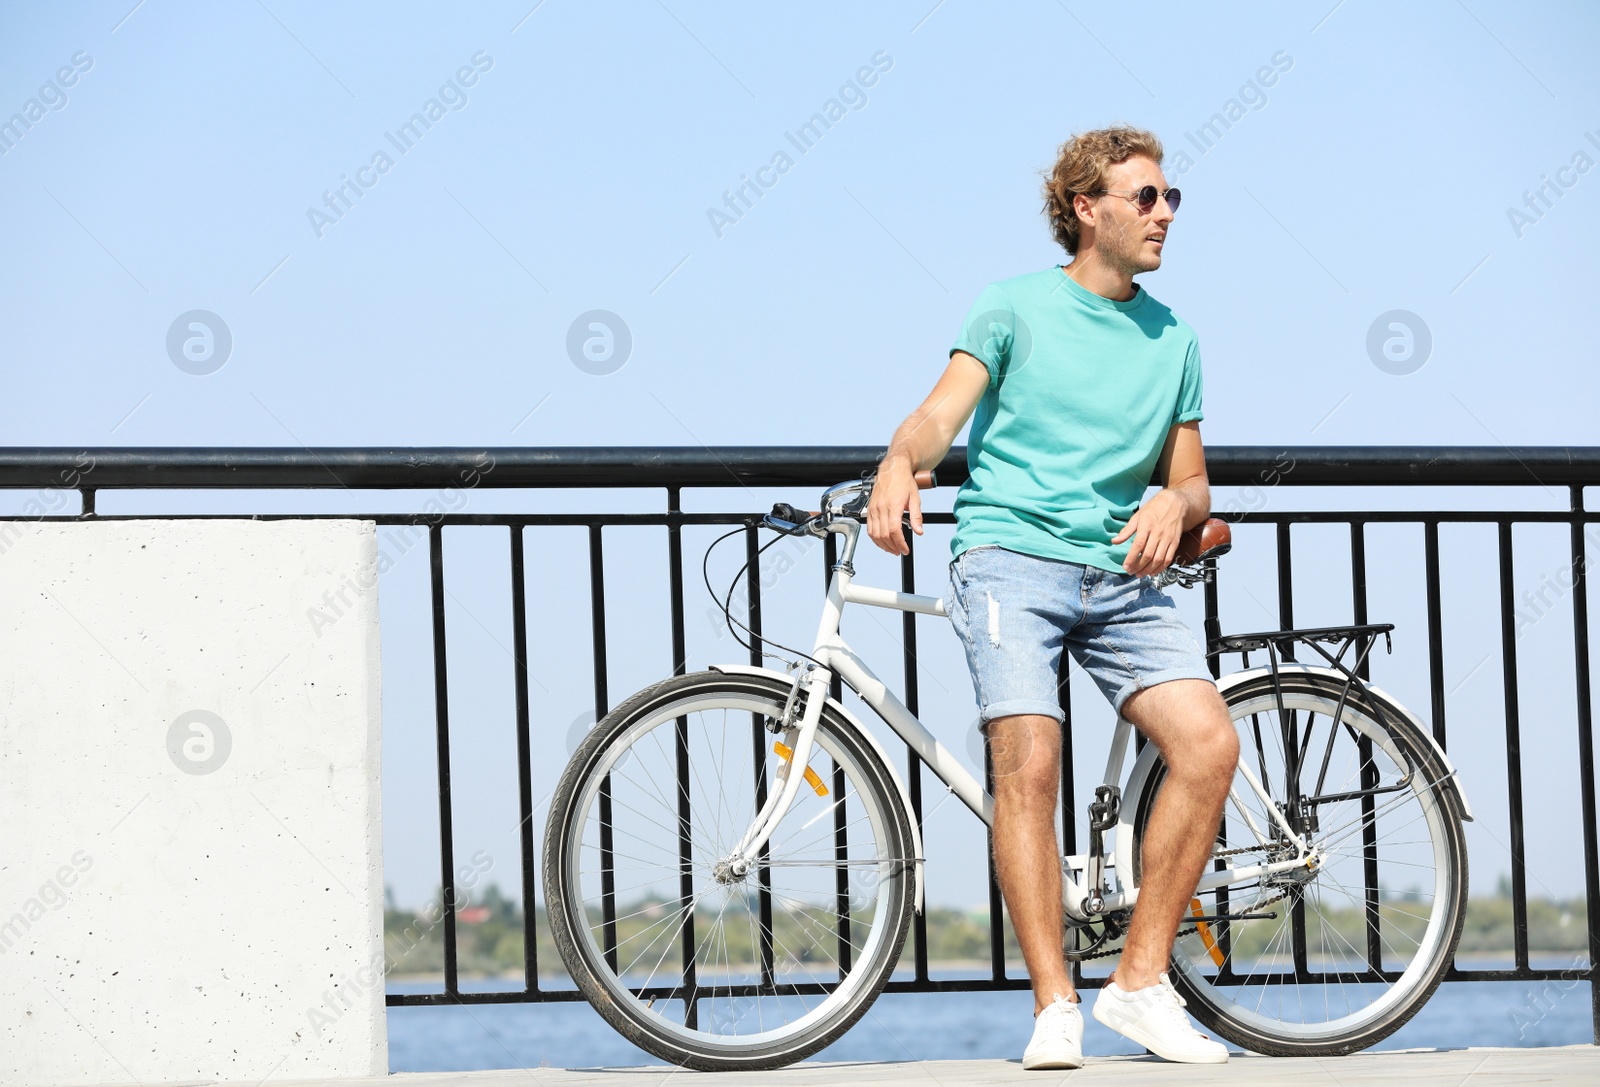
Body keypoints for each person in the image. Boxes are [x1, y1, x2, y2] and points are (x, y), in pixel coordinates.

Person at [866, 125, 1239, 1069]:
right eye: (1144, 197)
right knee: (1029, 760)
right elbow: (939, 415)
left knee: (1209, 743)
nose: (1164, 214)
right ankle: (1054, 1006)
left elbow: (1193, 483)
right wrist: (898, 463)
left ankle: (1141, 983)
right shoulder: (1011, 307)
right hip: (1010, 558)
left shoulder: (1177, 338)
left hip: (1124, 571)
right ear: (1086, 208)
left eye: (1170, 199)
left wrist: (1172, 497)